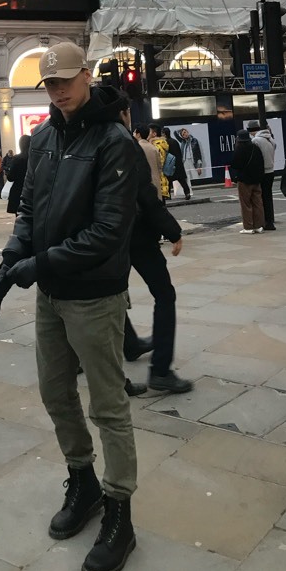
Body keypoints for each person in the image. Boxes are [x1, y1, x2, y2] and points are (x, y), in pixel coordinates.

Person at [0, 41, 139, 571]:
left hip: (94, 294)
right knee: (54, 392)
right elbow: (29, 207)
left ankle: (120, 510)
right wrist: (9, 261)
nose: (59, 90)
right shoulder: (44, 137)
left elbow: (107, 232)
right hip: (52, 294)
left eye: (66, 80)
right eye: (49, 83)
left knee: (109, 405)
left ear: (87, 75)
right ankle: (84, 481)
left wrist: (36, 266)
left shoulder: (115, 141)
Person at [116, 108, 193, 393]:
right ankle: (160, 370)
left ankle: (130, 343)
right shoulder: (124, 142)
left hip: (106, 237)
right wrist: (172, 230)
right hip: (136, 233)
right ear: (125, 114)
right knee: (164, 294)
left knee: (112, 294)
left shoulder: (83, 139)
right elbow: (144, 192)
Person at [231, 129, 265, 234]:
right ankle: (259, 226)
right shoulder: (256, 148)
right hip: (256, 180)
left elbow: (235, 165)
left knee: (246, 204)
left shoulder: (239, 150)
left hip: (244, 180)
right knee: (258, 202)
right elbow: (261, 162)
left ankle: (248, 227)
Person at [247, 120, 276, 230]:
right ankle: (270, 220)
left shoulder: (256, 141)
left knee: (260, 198)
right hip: (271, 171)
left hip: (262, 172)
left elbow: (256, 158)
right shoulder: (270, 139)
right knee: (268, 197)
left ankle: (264, 221)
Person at [133, 124, 161, 199]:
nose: (133, 134)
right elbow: (159, 167)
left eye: (134, 132)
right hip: (155, 182)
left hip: (142, 185)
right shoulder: (153, 148)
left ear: (138, 134)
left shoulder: (135, 148)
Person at [162, 127, 191, 201]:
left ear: (164, 134)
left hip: (170, 164)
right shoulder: (174, 141)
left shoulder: (165, 143)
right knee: (181, 180)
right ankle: (187, 193)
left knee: (168, 180)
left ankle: (168, 195)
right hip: (178, 163)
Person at [6, 134, 30, 215]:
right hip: (32, 190)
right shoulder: (34, 158)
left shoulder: (17, 158)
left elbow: (10, 177)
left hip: (18, 190)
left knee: (20, 216)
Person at [148, 123, 170, 200]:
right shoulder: (158, 143)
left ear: (154, 134)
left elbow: (157, 163)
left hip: (159, 181)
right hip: (160, 180)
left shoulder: (157, 145)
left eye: (149, 132)